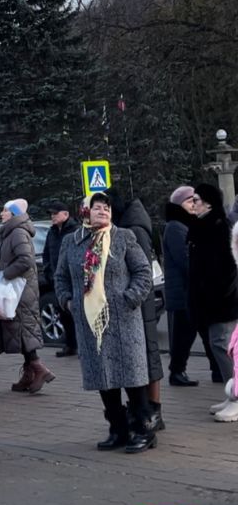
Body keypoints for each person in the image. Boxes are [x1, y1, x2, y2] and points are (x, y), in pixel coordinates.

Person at [55, 193, 156, 452]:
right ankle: (118, 428)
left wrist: (130, 298)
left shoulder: (123, 237)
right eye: (96, 207)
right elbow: (61, 277)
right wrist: (69, 302)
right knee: (103, 377)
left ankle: (144, 428)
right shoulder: (72, 241)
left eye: (106, 207)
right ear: (84, 212)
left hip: (124, 320)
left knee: (132, 377)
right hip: (90, 322)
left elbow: (143, 271)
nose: (103, 211)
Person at [109, 188, 167, 430]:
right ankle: (144, 410)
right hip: (137, 305)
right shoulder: (133, 223)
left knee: (148, 358)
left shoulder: (133, 229)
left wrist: (131, 298)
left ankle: (152, 412)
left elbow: (140, 271)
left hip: (140, 307)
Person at [187, 183, 238, 416]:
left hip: (222, 302)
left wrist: (217, 295)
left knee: (224, 346)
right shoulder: (203, 225)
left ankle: (236, 397)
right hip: (211, 300)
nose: (193, 204)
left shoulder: (218, 226)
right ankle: (231, 395)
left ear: (207, 202)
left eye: (196, 199)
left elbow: (227, 268)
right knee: (219, 346)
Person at [0, 199, 54, 393]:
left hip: (21, 289)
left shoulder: (18, 232)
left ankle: (39, 368)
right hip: (18, 288)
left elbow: (26, 260)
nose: (1, 214)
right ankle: (29, 374)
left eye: (4, 210)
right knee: (20, 331)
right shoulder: (12, 232)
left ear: (13, 213)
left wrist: (6, 273)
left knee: (23, 330)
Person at [164, 186, 204, 387]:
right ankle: (176, 372)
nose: (195, 205)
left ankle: (218, 370)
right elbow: (185, 259)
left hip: (193, 291)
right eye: (190, 201)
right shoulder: (175, 227)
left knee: (205, 332)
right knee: (183, 336)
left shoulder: (188, 225)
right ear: (180, 205)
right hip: (182, 293)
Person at [43, 201, 79, 358]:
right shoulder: (52, 232)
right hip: (57, 280)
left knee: (76, 313)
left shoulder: (75, 230)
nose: (52, 216)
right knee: (63, 313)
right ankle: (70, 345)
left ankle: (80, 346)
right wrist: (49, 273)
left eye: (55, 213)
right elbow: (47, 255)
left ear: (66, 214)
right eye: (51, 214)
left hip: (72, 279)